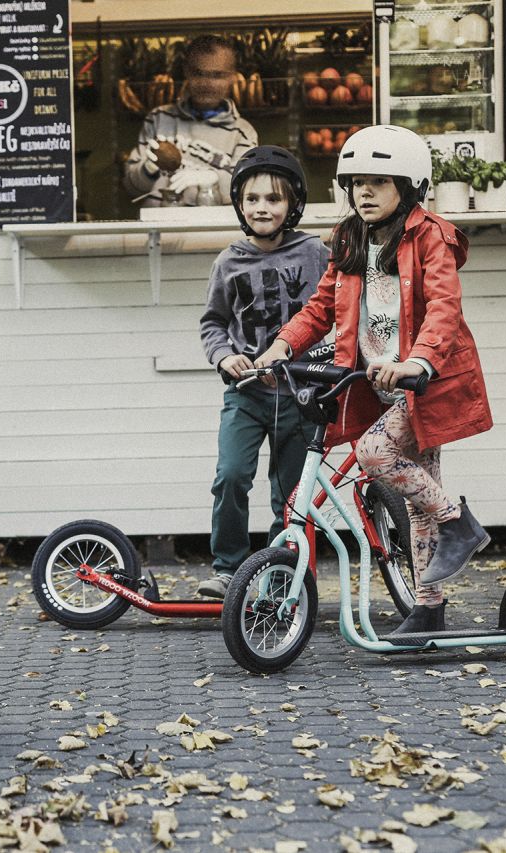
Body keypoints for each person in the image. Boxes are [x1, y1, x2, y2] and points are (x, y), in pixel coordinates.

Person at [254, 125, 494, 635]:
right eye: (357, 182)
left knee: (373, 453)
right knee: (415, 502)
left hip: (424, 381)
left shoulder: (431, 236)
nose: (364, 192)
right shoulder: (350, 237)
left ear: (408, 186)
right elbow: (321, 306)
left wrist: (417, 362)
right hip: (378, 384)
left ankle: (459, 523)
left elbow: (444, 308)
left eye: (378, 182)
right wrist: (282, 345)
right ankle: (429, 608)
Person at [197, 145, 329, 599]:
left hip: (302, 395)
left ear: (293, 204)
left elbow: (335, 308)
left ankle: (280, 575)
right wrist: (223, 357)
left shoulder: (314, 253)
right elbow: (213, 322)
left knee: (290, 496)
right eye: (251, 199)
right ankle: (228, 569)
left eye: (273, 199)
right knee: (231, 476)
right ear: (239, 204)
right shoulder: (228, 261)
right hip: (247, 393)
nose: (262, 208)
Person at [123, 34, 258, 208]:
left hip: (215, 225)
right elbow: (131, 188)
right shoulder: (158, 119)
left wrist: (213, 178)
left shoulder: (243, 132)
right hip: (161, 223)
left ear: (232, 76)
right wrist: (148, 169)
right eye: (198, 73)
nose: (207, 83)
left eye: (217, 75)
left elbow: (248, 190)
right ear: (186, 72)